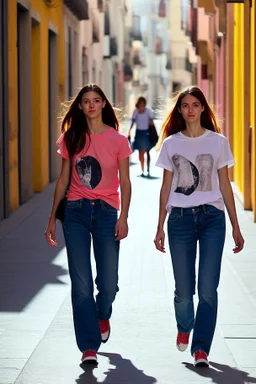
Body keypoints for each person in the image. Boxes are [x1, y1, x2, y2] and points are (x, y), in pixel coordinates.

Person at [154, 86, 244, 367]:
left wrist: (236, 226)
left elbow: (226, 186)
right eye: (185, 105)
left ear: (203, 108)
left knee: (207, 289)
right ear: (179, 110)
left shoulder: (218, 142)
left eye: (195, 104)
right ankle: (184, 325)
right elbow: (166, 186)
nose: (190, 109)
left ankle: (201, 348)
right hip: (180, 220)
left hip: (212, 219)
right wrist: (159, 226)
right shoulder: (171, 144)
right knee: (184, 291)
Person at [45, 83, 132, 365]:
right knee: (80, 283)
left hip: (107, 212)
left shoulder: (118, 140)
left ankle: (102, 314)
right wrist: (51, 219)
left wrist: (124, 217)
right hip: (76, 212)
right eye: (86, 101)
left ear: (104, 104)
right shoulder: (71, 138)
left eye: (96, 100)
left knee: (109, 283)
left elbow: (125, 183)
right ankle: (88, 346)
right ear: (80, 106)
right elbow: (63, 180)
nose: (91, 105)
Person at [128, 96, 154, 177]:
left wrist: (151, 123)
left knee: (147, 151)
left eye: (143, 104)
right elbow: (132, 122)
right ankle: (142, 170)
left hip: (146, 134)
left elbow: (151, 123)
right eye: (140, 104)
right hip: (138, 133)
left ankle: (148, 169)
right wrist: (129, 132)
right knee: (140, 153)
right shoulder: (135, 112)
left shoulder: (148, 111)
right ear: (138, 104)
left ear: (144, 104)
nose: (141, 105)